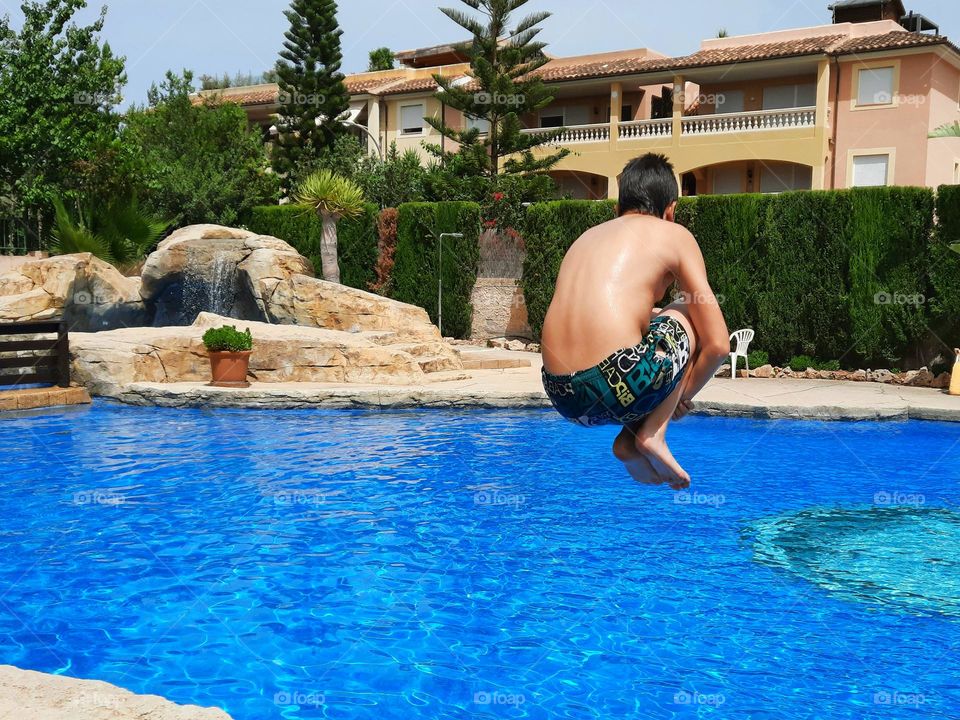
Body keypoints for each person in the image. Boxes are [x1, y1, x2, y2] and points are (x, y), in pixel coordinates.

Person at [540, 154, 730, 489]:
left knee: (656, 319)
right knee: (688, 309)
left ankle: (630, 438)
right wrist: (680, 398)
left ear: (619, 207)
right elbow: (718, 346)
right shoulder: (674, 235)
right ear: (670, 211)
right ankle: (653, 434)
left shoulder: (585, 238)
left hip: (563, 397)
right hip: (617, 383)